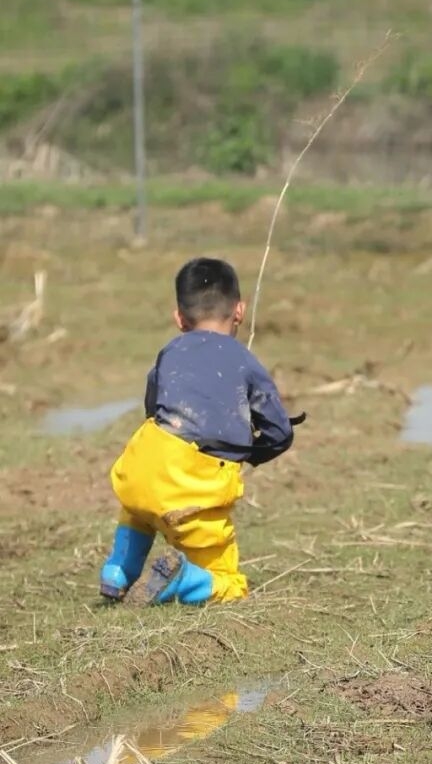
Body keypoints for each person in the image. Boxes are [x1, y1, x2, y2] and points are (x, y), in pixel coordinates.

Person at [100, 257, 297, 607]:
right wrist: (249, 452)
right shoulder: (246, 361)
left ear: (179, 318)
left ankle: (117, 571)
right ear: (239, 311)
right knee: (230, 582)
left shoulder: (169, 351)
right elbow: (280, 433)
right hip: (195, 486)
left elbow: (153, 406)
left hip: (143, 465)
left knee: (138, 509)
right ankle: (182, 580)